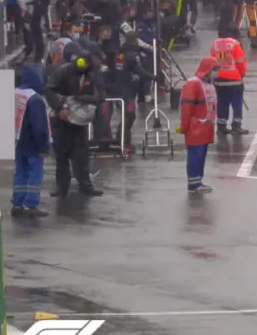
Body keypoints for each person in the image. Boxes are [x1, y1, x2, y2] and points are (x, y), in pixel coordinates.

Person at [45, 55, 104, 198]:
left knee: (81, 155)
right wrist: (59, 108)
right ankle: (62, 188)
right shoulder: (63, 71)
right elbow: (49, 90)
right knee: (62, 156)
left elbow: (101, 95)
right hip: (62, 120)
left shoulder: (90, 74)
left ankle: (86, 187)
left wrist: (89, 99)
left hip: (80, 120)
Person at [13, 65, 50, 217]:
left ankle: (17, 204)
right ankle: (31, 205)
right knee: (35, 174)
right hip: (33, 143)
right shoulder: (35, 99)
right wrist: (43, 147)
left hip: (18, 141)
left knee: (20, 173)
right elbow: (39, 127)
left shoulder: (16, 93)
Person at [179, 56, 220, 193]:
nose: (216, 72)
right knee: (195, 156)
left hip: (205, 127)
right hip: (196, 127)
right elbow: (187, 107)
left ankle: (198, 182)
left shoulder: (208, 83)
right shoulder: (193, 84)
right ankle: (194, 184)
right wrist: (184, 126)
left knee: (201, 156)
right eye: (214, 69)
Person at [112, 32, 155, 153]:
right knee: (130, 116)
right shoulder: (132, 55)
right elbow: (139, 70)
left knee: (126, 115)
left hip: (119, 87)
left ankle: (123, 140)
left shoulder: (119, 53)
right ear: (135, 40)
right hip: (128, 89)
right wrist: (153, 77)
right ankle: (122, 141)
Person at [209, 37, 249, 135]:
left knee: (222, 103)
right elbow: (240, 62)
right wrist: (242, 74)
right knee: (237, 103)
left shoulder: (215, 44)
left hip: (219, 80)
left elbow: (212, 62)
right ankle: (236, 126)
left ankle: (221, 126)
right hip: (235, 80)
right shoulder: (235, 44)